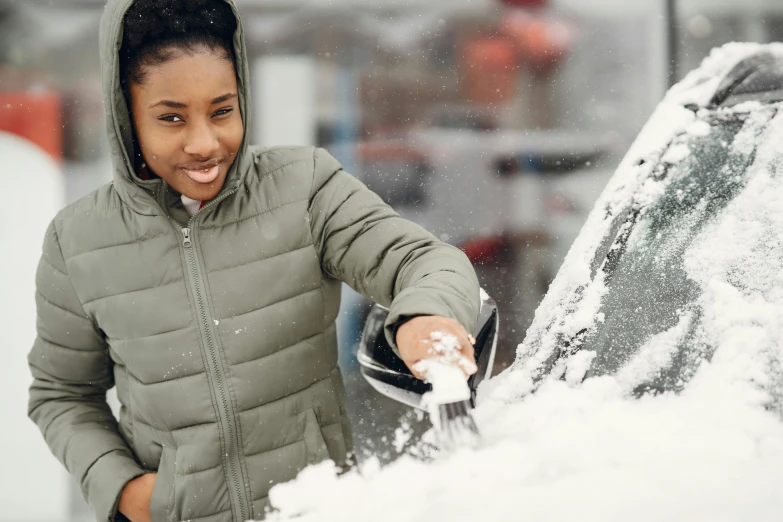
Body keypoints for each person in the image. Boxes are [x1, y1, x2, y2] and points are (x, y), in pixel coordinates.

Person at [26, 1, 480, 521]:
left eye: (222, 110)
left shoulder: (302, 186)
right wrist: (125, 489)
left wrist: (427, 315)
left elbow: (419, 259)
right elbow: (62, 393)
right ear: (126, 117)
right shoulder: (78, 239)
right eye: (171, 117)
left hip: (314, 509)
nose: (204, 143)